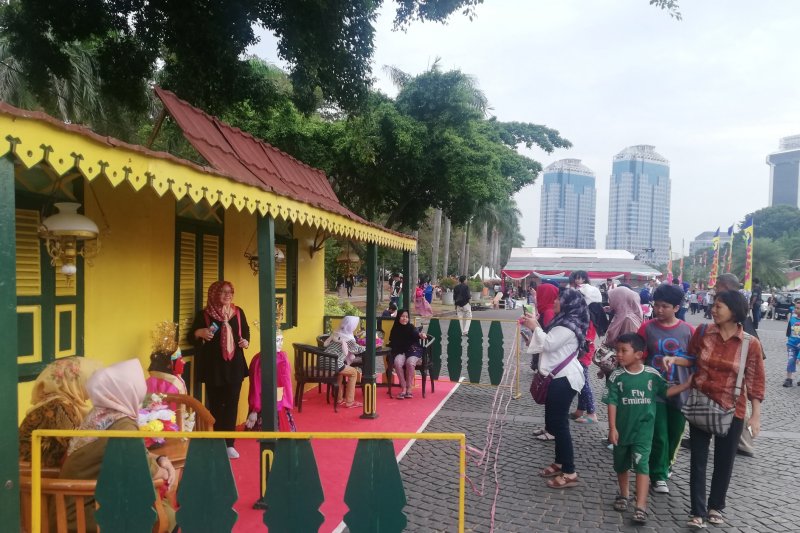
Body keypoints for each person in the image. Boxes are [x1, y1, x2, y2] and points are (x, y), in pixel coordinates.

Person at [664, 290, 765, 529]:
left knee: (724, 460)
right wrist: (674, 360)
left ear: (734, 310)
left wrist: (756, 415)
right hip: (702, 403)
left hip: (733, 409)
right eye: (714, 305)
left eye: (719, 306)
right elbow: (691, 358)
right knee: (698, 459)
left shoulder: (750, 344)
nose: (713, 309)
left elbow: (755, 380)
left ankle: (715, 507)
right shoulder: (703, 332)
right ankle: (697, 511)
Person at [60, 359, 177, 531]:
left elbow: (135, 454)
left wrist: (160, 458)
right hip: (89, 516)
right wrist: (166, 472)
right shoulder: (123, 425)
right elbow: (147, 472)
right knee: (167, 516)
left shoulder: (103, 415)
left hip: (73, 510)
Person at [605, 333, 692, 524]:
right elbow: (612, 403)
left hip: (644, 433)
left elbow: (665, 391)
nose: (618, 354)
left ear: (638, 354)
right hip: (622, 431)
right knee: (621, 465)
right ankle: (624, 494)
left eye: (623, 351)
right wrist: (612, 428)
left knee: (642, 466)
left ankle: (641, 506)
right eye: (617, 350)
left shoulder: (652, 375)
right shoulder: (616, 376)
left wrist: (686, 385)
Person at [522, 288, 589, 489]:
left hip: (563, 378)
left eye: (560, 299)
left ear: (569, 303)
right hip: (558, 377)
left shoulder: (568, 325)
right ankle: (560, 463)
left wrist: (535, 326)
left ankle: (569, 471)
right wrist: (532, 331)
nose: (556, 301)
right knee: (554, 422)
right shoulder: (564, 320)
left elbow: (549, 344)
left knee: (560, 425)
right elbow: (549, 345)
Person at [637, 283, 695, 494]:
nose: (659, 310)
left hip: (681, 389)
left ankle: (667, 462)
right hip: (655, 389)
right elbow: (639, 355)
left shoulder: (689, 331)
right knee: (658, 433)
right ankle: (658, 475)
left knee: (675, 431)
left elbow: (695, 360)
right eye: (656, 305)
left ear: (677, 308)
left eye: (665, 306)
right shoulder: (647, 327)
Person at [190, 280, 250, 459]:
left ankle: (229, 443)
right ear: (214, 294)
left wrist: (245, 342)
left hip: (234, 366)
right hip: (213, 367)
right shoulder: (205, 315)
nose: (227, 295)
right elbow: (191, 336)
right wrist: (199, 333)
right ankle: (216, 441)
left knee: (232, 404)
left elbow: (246, 333)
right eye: (223, 292)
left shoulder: (238, 313)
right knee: (215, 404)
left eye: (230, 291)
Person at [18, 357, 102, 467]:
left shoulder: (64, 403)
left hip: (40, 472)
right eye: (90, 380)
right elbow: (74, 451)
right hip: (34, 477)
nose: (95, 387)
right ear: (75, 381)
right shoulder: (58, 406)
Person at [715, 272, 760, 458]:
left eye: (717, 286)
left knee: (740, 399)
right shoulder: (739, 299)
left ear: (724, 286)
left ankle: (745, 443)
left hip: (743, 352)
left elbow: (746, 335)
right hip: (742, 351)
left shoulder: (734, 302)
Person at [246, 330, 296, 431]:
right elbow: (256, 385)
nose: (280, 343)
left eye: (282, 340)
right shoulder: (259, 360)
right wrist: (255, 409)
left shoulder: (283, 356)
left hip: (280, 399)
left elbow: (286, 383)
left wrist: (286, 400)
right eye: (277, 340)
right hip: (264, 400)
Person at [530, 283, 559, 441]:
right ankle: (548, 427)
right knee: (549, 400)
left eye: (539, 293)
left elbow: (547, 339)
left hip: (551, 364)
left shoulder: (548, 312)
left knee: (551, 400)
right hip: (548, 361)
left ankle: (551, 430)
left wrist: (535, 326)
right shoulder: (545, 310)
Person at [323, 316, 364, 408]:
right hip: (334, 363)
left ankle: (339, 399)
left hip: (323, 361)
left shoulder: (336, 333)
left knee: (340, 373)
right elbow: (357, 349)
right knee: (353, 373)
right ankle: (350, 401)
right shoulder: (348, 338)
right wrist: (370, 346)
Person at [388, 309, 428, 399]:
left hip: (413, 350)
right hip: (400, 351)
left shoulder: (411, 327)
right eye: (402, 316)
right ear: (398, 317)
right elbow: (392, 341)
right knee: (397, 363)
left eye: (406, 317)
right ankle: (403, 388)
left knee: (410, 363)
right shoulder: (395, 328)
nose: (404, 319)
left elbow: (416, 333)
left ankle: (409, 388)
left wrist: (421, 335)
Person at [604, 286, 643, 352]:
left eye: (612, 298)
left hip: (622, 357)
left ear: (619, 300)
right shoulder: (622, 313)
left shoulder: (628, 319)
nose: (609, 301)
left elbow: (627, 345)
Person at [783, 303, 800, 387]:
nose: (795, 310)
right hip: (792, 345)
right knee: (791, 361)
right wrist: (789, 342)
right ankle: (789, 379)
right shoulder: (792, 319)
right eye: (795, 308)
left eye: (798, 308)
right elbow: (789, 331)